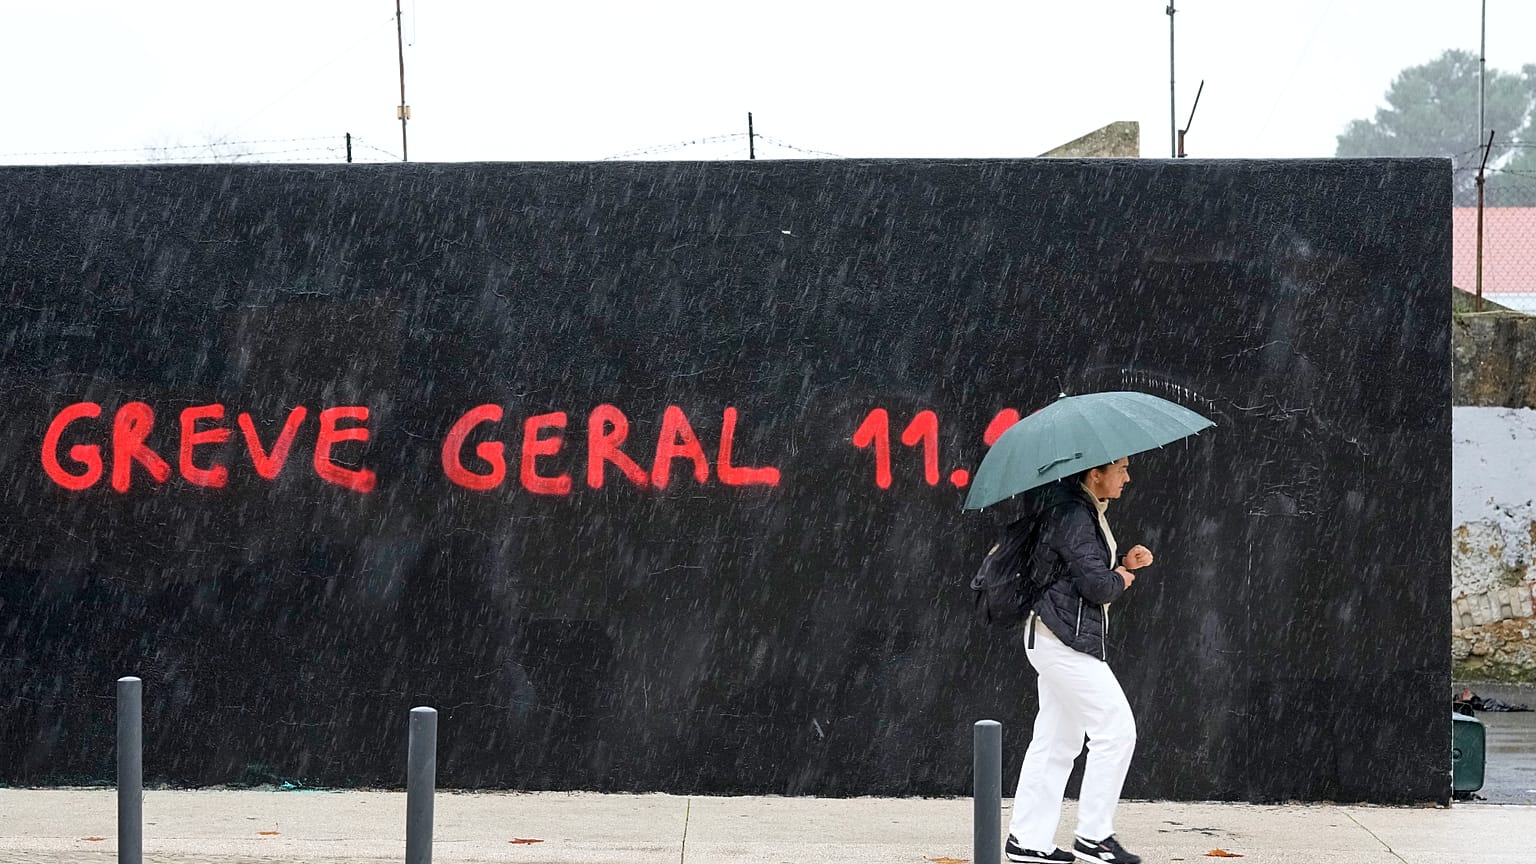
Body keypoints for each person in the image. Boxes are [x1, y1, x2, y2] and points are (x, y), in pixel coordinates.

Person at [1005, 457, 1151, 864]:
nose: (1127, 476)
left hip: (1054, 636)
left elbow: (1081, 572)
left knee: (1056, 741)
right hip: (1061, 640)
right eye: (1120, 468)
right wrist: (1121, 576)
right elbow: (1096, 586)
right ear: (1094, 475)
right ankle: (1093, 837)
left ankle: (1027, 840)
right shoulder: (1074, 514)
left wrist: (1122, 565)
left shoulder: (1079, 510)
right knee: (1116, 730)